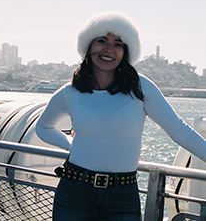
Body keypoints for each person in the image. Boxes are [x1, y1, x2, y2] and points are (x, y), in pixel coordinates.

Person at [36, 12, 206, 221]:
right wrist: (71, 144)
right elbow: (43, 127)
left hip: (122, 197)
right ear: (88, 46)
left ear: (125, 52)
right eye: (101, 41)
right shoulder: (69, 92)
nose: (108, 49)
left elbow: (178, 129)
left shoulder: (140, 87)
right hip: (74, 192)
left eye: (118, 44)